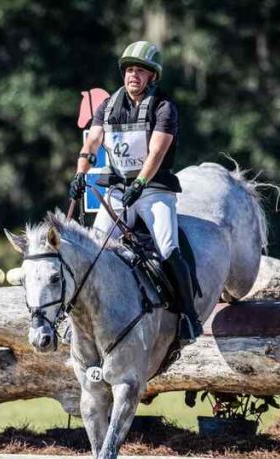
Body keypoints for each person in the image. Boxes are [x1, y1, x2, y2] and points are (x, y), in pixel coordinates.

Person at [68, 40, 202, 344]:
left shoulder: (164, 107)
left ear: (152, 76)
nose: (133, 75)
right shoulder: (107, 106)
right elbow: (92, 142)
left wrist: (140, 183)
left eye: (140, 71)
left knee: (167, 248)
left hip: (153, 190)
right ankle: (82, 317)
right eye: (129, 70)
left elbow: (156, 152)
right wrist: (80, 173)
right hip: (118, 190)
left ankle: (189, 315)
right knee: (94, 248)